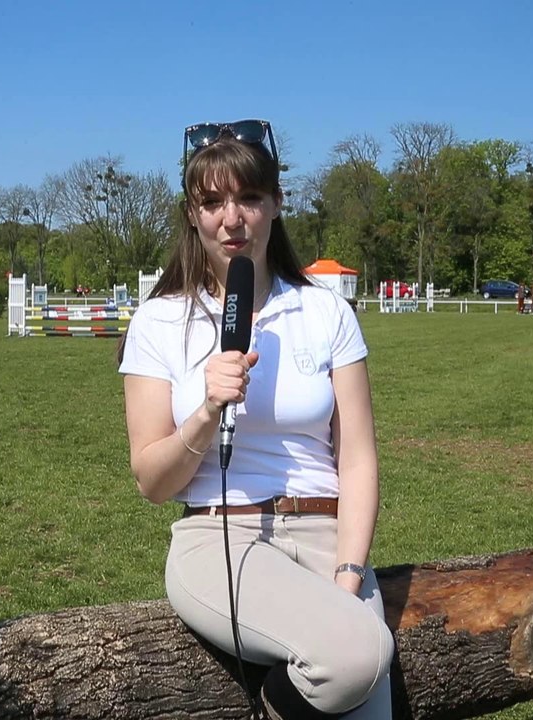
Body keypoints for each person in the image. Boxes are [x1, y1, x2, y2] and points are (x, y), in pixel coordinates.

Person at [118, 120, 393, 719]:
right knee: (357, 657)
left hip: (328, 535)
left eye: (247, 198)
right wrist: (206, 410)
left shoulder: (325, 311)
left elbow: (358, 456)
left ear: (275, 204)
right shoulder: (159, 321)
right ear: (192, 214)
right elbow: (151, 481)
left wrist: (349, 576)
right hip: (219, 538)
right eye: (212, 202)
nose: (231, 218)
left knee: (360, 667)